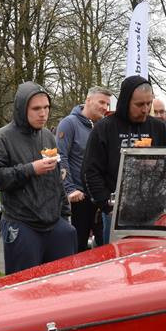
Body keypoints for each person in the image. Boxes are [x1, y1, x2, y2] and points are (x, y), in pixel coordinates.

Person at [0, 81, 76, 274]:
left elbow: (57, 180)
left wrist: (65, 216)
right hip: (21, 223)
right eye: (36, 108)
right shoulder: (2, 138)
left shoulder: (48, 136)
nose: (43, 113)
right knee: (24, 288)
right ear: (22, 109)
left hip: (53, 223)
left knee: (61, 284)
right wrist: (30, 169)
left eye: (46, 107)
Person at [82, 76, 166, 237]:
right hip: (117, 215)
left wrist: (157, 164)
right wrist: (106, 205)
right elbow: (89, 171)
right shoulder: (105, 128)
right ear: (125, 102)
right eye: (139, 105)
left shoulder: (159, 128)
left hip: (154, 213)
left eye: (148, 103)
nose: (145, 109)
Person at [57, 86, 112, 252]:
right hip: (78, 198)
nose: (105, 107)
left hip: (99, 196)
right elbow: (61, 156)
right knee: (78, 247)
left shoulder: (101, 126)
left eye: (107, 104)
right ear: (88, 100)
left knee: (105, 246)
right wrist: (70, 189)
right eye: (101, 102)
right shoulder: (69, 123)